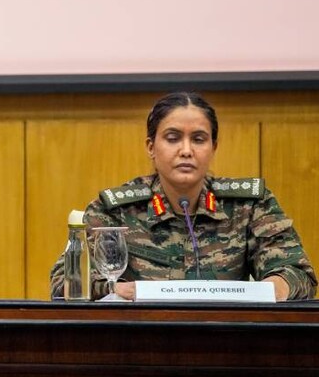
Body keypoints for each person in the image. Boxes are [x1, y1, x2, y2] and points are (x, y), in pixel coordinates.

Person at [49, 92, 316, 301]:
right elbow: (65, 281)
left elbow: (298, 274)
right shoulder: (115, 210)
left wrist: (271, 289)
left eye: (198, 139)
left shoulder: (249, 206)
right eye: (173, 138)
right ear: (151, 147)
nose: (186, 150)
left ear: (213, 147)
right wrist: (116, 289)